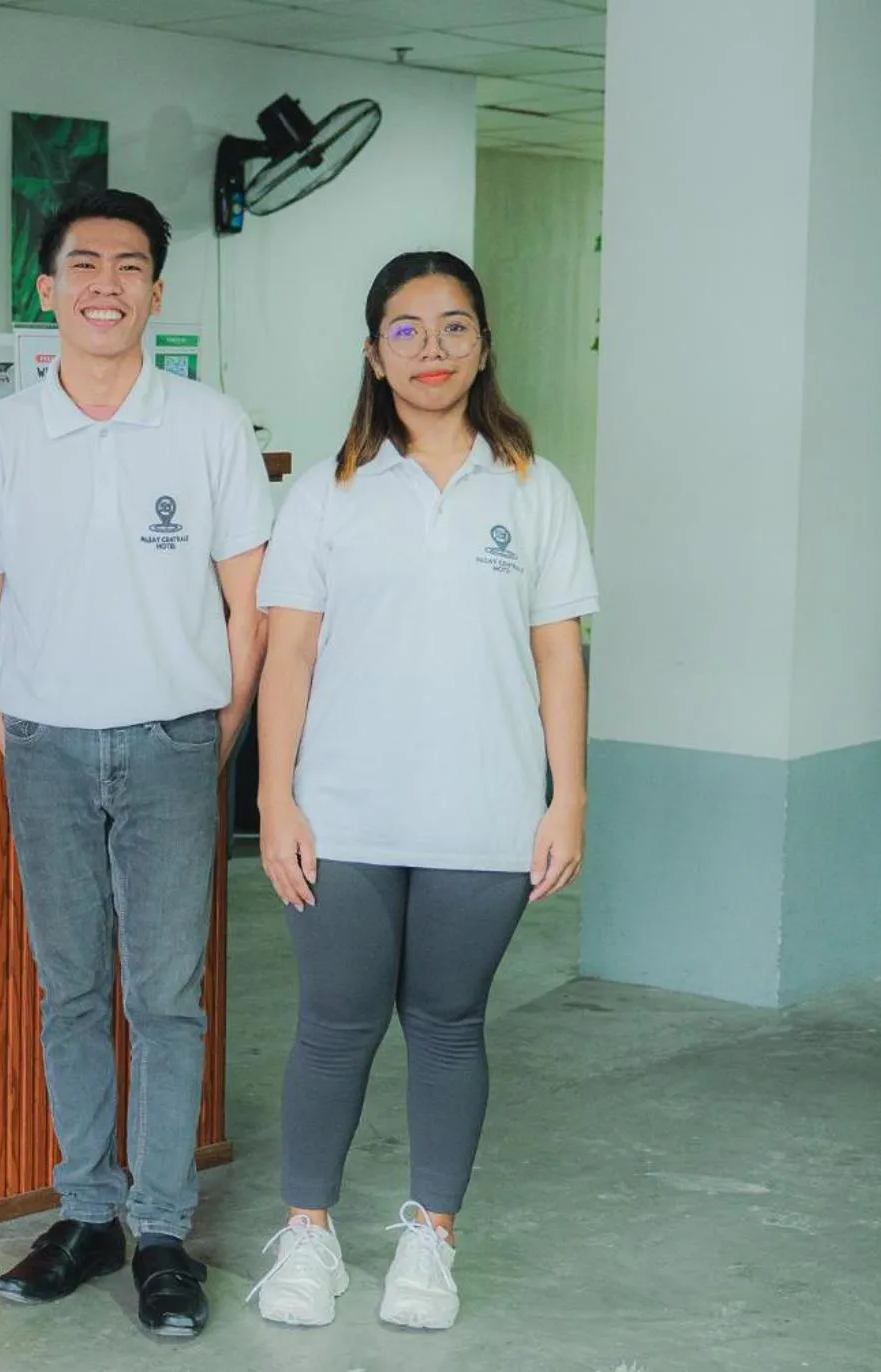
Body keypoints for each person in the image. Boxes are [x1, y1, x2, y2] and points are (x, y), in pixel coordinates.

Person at [0, 188, 275, 1338]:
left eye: (129, 267)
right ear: (46, 288)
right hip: (42, 748)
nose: (104, 285)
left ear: (155, 293)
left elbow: (248, 606)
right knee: (71, 989)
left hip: (175, 742)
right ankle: (86, 1213)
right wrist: (17, 729)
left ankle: (162, 1231)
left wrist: (208, 739)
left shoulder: (207, 425)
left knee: (164, 999)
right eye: (82, 264)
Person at [246, 250, 598, 1331]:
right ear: (371, 352)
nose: (430, 349)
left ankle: (427, 1242)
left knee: (446, 1026)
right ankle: (306, 1238)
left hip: (483, 817)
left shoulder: (532, 486)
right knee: (332, 1026)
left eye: (452, 327)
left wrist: (565, 797)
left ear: (482, 345)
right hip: (343, 815)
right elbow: (287, 657)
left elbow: (556, 654)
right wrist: (274, 799)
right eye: (405, 328)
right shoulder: (326, 492)